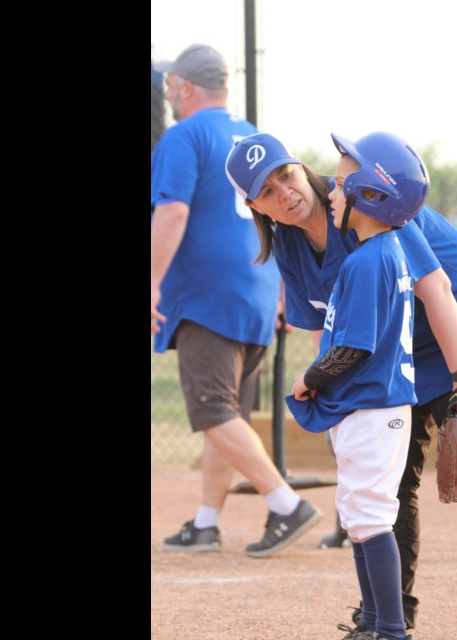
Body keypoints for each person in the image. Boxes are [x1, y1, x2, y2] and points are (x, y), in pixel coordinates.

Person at [225, 130, 457, 639]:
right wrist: (340, 404)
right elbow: (330, 332)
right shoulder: (291, 250)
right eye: (267, 191)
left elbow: (439, 291)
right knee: (389, 481)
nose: (284, 191)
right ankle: (387, 618)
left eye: (285, 174)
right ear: (255, 207)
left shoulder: (369, 199)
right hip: (401, 351)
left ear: (300, 167)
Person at [150, 43, 323, 558]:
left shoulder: (185, 135)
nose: (167, 95)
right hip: (259, 291)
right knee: (227, 415)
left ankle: (285, 504)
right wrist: (287, 288)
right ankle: (206, 523)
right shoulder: (251, 135)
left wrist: (152, 280)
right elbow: (285, 215)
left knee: (212, 410)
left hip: (207, 295)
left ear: (184, 88)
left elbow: (173, 213)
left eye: (169, 86)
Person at [285, 131, 425, 640]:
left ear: (371, 195)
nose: (332, 193)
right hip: (369, 407)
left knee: (369, 518)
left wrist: (308, 379)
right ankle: (375, 623)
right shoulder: (376, 253)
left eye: (342, 185)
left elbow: (353, 349)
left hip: (373, 407)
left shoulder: (370, 260)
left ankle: (390, 629)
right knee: (361, 517)